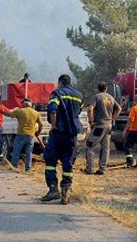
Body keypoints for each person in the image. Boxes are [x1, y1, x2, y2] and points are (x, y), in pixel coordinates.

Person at [41, 74, 83, 205]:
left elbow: (52, 109)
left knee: (50, 160)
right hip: (72, 135)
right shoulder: (79, 96)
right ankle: (65, 192)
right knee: (68, 162)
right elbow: (78, 111)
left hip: (59, 133)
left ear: (60, 82)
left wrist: (53, 125)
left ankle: (53, 190)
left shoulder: (57, 93)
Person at [85, 82, 122, 175]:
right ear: (106, 88)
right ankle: (102, 169)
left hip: (99, 125)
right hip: (108, 125)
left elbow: (90, 109)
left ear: (98, 88)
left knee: (90, 146)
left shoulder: (97, 97)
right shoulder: (111, 97)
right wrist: (112, 118)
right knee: (105, 147)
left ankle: (89, 169)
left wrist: (90, 121)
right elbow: (119, 108)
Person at [6, 98, 43, 172]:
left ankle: (14, 166)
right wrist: (38, 132)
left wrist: (14, 109)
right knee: (29, 153)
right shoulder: (36, 113)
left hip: (21, 134)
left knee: (16, 151)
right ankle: (28, 169)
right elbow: (41, 124)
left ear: (24, 104)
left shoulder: (20, 111)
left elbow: (9, 114)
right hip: (31, 135)